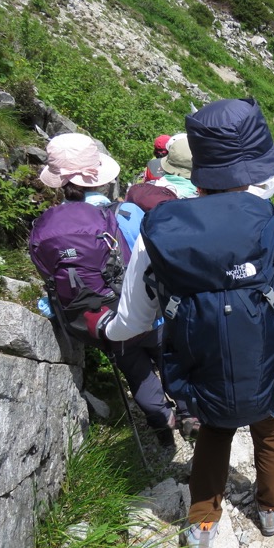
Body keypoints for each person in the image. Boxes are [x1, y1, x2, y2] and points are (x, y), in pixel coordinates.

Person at [86, 98, 274, 548]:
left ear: (199, 173)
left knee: (214, 436)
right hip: (270, 369)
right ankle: (269, 512)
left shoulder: (163, 234)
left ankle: (201, 527)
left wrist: (108, 328)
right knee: (272, 433)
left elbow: (133, 320)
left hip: (201, 368)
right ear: (254, 169)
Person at [38, 132, 199, 446]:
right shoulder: (126, 213)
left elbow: (51, 280)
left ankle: (161, 424)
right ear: (100, 179)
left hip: (98, 323)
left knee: (136, 373)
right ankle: (188, 413)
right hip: (146, 313)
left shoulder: (45, 227)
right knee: (168, 359)